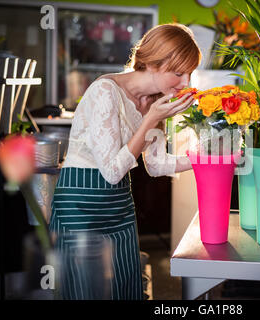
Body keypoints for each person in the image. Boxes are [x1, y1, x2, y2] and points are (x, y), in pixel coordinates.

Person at [49, 23, 201, 300]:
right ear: (153, 63)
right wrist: (151, 119)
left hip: (119, 205)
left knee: (128, 287)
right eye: (178, 73)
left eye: (189, 74)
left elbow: (155, 164)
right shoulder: (105, 91)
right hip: (79, 205)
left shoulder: (156, 102)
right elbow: (111, 171)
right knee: (86, 292)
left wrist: (203, 159)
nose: (186, 83)